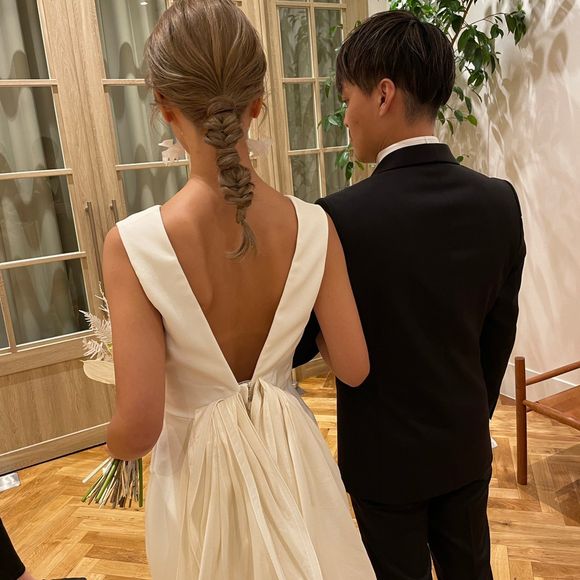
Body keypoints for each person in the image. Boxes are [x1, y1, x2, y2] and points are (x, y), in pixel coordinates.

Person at [102, 1, 376, 579]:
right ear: (258, 103)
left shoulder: (133, 245)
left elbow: (140, 426)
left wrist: (113, 446)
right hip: (293, 463)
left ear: (164, 107)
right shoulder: (315, 226)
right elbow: (353, 367)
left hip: (199, 480)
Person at [294, 10, 526, 580]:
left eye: (347, 98)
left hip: (383, 462)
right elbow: (498, 335)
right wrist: (467, 418)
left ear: (383, 95)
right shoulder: (499, 202)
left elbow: (300, 345)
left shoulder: (338, 218)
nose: (345, 117)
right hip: (463, 446)